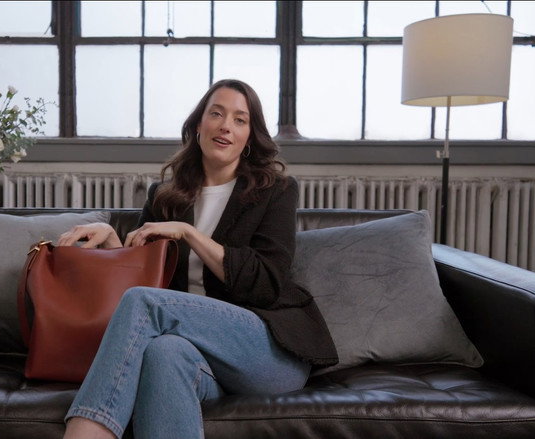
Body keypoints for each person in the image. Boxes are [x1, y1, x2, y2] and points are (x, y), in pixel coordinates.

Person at [56, 79, 338, 439]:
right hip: (202, 359)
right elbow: (145, 278)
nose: (226, 126)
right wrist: (112, 241)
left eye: (239, 120)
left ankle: (87, 431)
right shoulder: (165, 196)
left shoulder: (276, 191)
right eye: (216, 114)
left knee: (145, 304)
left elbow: (266, 284)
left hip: (268, 351)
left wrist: (190, 234)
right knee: (163, 352)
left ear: (250, 137)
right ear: (198, 125)